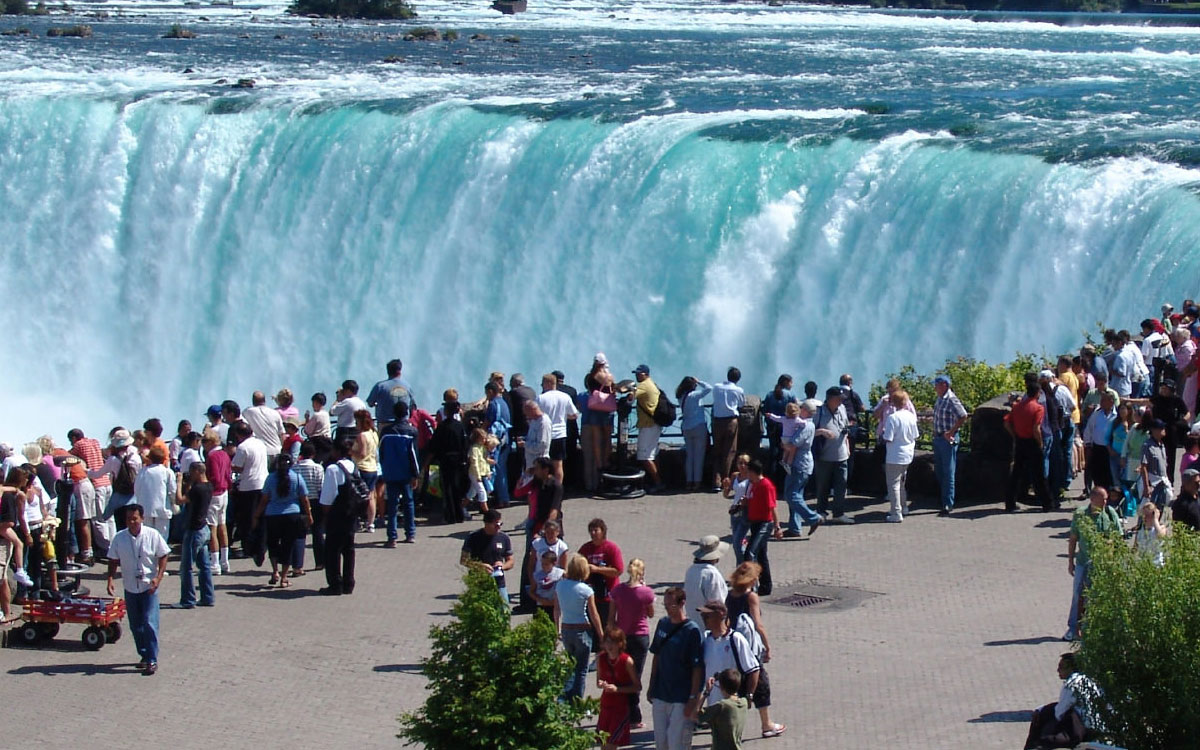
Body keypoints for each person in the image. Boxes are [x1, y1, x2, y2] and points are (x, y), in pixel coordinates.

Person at [106, 504, 169, 675]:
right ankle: (144, 654)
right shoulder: (119, 538)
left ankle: (152, 659)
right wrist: (110, 578)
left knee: (149, 622)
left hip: (149, 587)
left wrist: (159, 577)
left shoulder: (152, 535)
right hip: (130, 587)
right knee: (136, 625)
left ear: (141, 518)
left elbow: (163, 554)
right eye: (128, 519)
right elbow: (113, 559)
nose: (132, 522)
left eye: (135, 518)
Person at [725, 562, 784, 740]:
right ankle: (766, 724)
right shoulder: (751, 597)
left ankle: (727, 724)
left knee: (735, 685)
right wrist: (767, 646)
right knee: (761, 684)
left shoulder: (730, 595)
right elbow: (758, 624)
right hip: (750, 648)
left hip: (734, 645)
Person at [647, 587, 704, 750]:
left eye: (671, 605)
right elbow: (656, 655)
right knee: (661, 743)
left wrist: (693, 698)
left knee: (676, 743)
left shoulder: (692, 630)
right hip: (661, 693)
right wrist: (652, 685)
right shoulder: (663, 624)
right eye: (665, 605)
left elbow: (697, 668)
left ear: (682, 603)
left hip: (680, 697)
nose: (668, 609)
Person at [697, 601, 766, 734]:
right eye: (703, 615)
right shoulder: (706, 640)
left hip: (730, 704)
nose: (704, 618)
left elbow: (753, 669)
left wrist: (749, 696)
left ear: (720, 615)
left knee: (728, 739)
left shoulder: (735, 639)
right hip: (713, 703)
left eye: (707, 615)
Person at [1065, 487, 1122, 641]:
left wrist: (1111, 550)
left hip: (1102, 563)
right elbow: (1073, 539)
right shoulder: (1080, 515)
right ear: (1092, 499)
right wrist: (1070, 561)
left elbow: (1118, 537)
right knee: (1078, 595)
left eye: (1106, 499)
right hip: (1083, 562)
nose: (1105, 502)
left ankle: (1092, 629)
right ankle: (1073, 628)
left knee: (1097, 597)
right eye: (1102, 499)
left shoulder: (1110, 514)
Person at [608, 558, 655, 728]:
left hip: (622, 636)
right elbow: (650, 614)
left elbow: (611, 618)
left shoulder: (617, 590)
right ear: (641, 573)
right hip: (641, 637)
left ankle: (625, 712)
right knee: (636, 674)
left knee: (623, 673)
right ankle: (634, 715)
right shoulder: (647, 592)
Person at [252, 454, 311, 588]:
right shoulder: (297, 477)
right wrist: (309, 514)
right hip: (292, 515)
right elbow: (304, 499)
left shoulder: (271, 478)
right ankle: (284, 578)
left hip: (272, 515)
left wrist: (256, 516)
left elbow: (264, 500)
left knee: (272, 544)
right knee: (288, 546)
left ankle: (275, 572)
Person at [514, 457, 563, 612]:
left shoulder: (555, 485)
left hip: (548, 529)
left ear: (546, 470)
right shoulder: (536, 482)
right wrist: (525, 476)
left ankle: (551, 598)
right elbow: (518, 492)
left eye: (537, 468)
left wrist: (545, 531)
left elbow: (554, 510)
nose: (534, 470)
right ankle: (527, 601)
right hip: (534, 525)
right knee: (529, 562)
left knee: (552, 564)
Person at [554, 553, 604, 702]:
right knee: (581, 669)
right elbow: (594, 615)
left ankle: (564, 698)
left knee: (570, 666)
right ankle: (576, 701)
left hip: (566, 628)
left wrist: (557, 629)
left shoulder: (560, 585)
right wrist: (601, 635)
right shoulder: (586, 590)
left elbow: (556, 610)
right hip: (582, 629)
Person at [1023, 653, 1097, 750]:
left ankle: (1032, 746)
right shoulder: (1089, 680)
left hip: (1081, 728)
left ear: (1070, 668)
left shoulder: (1071, 685)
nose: (1058, 670)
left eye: (1061, 667)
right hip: (1095, 724)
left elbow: (1059, 713)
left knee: (1042, 718)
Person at [317, 437, 360, 596]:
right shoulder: (353, 466)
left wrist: (325, 513)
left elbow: (327, 497)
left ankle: (335, 584)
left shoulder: (333, 469)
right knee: (349, 549)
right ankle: (349, 583)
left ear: (336, 451)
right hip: (352, 512)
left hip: (337, 513)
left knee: (333, 550)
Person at [1005, 373, 1052, 513]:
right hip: (1032, 442)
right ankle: (1046, 503)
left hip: (1020, 441)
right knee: (1038, 475)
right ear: (1037, 393)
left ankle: (1010, 503)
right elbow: (1036, 428)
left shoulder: (1017, 406)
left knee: (1016, 473)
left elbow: (1007, 423)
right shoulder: (1038, 408)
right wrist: (1040, 443)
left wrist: (1015, 436)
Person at [68, 427, 114, 563]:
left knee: (98, 519)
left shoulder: (78, 445)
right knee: (110, 519)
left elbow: (68, 455)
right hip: (107, 482)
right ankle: (113, 544)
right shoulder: (95, 441)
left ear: (74, 438)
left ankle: (106, 548)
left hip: (96, 483)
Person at [174, 461, 214, 609]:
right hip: (204, 528)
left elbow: (180, 499)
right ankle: (207, 597)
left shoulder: (197, 489)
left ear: (197, 471)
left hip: (194, 530)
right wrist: (189, 482)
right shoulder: (209, 486)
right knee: (204, 566)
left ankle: (188, 599)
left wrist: (179, 483)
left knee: (186, 567)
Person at [379, 402, 420, 546]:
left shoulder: (385, 431)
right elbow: (413, 455)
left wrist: (383, 469)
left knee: (392, 504)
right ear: (406, 412)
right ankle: (410, 534)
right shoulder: (411, 431)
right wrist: (416, 474)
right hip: (406, 472)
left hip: (390, 472)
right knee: (408, 503)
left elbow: (381, 453)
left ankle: (392, 537)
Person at [781, 400, 822, 537]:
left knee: (791, 495)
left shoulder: (805, 426)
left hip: (799, 464)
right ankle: (795, 527)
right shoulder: (806, 424)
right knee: (797, 495)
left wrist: (784, 446)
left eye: (801, 407)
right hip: (802, 463)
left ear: (805, 410)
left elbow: (794, 444)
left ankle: (813, 518)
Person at [741, 460, 782, 596]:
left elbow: (772, 507)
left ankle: (751, 584)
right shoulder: (753, 485)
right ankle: (766, 586)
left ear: (753, 472)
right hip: (755, 522)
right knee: (761, 555)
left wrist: (777, 526)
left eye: (748, 472)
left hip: (764, 523)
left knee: (750, 553)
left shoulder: (766, 486)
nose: (746, 475)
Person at [813, 386, 853, 524]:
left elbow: (845, 428)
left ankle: (838, 513)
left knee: (841, 485)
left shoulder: (841, 409)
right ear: (830, 399)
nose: (841, 402)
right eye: (838, 399)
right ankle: (821, 512)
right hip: (824, 456)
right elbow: (808, 431)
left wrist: (847, 447)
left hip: (842, 454)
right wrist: (822, 431)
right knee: (823, 486)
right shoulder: (818, 412)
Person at [579, 517, 624, 636]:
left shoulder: (611, 548)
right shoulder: (585, 548)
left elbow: (618, 570)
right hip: (590, 595)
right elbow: (578, 566)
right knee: (592, 629)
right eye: (591, 531)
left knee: (607, 628)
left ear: (603, 531)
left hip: (608, 597)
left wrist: (597, 569)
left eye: (596, 530)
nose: (593, 534)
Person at [597, 627, 640, 750]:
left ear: (620, 643)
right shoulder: (601, 658)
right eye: (607, 641)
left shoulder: (626, 661)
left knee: (611, 744)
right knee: (603, 744)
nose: (610, 645)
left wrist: (617, 689)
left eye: (614, 642)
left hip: (620, 708)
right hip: (605, 706)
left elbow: (637, 686)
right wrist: (602, 684)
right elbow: (598, 681)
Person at [460, 509, 514, 608]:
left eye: (500, 524)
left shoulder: (504, 538)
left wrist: (503, 566)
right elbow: (463, 560)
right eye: (496, 524)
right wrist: (480, 566)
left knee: (504, 610)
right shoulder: (473, 537)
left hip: (499, 582)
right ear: (486, 524)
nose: (498, 527)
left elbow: (511, 561)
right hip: (478, 582)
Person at [229, 422, 268, 559]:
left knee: (247, 518)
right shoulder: (260, 443)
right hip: (263, 483)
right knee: (261, 517)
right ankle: (262, 546)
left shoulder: (243, 447)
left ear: (239, 435)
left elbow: (237, 466)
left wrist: (230, 464)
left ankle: (249, 548)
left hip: (248, 486)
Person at [932, 374, 968, 516]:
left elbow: (963, 415)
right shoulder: (940, 398)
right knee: (940, 471)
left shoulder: (951, 399)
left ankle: (948, 503)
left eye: (936, 385)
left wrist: (951, 432)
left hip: (947, 439)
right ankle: (944, 498)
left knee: (948, 472)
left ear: (944, 385)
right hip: (938, 438)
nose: (935, 387)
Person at [94, 429, 143, 532]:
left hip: (119, 499)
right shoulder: (136, 457)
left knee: (121, 529)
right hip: (134, 498)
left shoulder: (113, 460)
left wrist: (86, 471)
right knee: (135, 529)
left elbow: (98, 474)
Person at [430, 401, 469, 524]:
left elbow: (434, 445)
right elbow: (465, 444)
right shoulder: (459, 426)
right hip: (458, 460)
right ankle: (460, 514)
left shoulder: (442, 426)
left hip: (446, 460)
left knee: (447, 488)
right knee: (457, 488)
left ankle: (450, 516)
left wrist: (428, 461)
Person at [537, 373, 579, 484]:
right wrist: (564, 416)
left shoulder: (541, 398)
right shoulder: (565, 397)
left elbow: (536, 416)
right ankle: (558, 490)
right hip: (560, 434)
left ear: (548, 383)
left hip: (545, 435)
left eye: (543, 384)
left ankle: (545, 489)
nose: (542, 386)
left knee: (543, 464)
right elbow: (575, 415)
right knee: (558, 465)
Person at [582, 355, 616, 493]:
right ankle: (606, 461)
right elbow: (613, 388)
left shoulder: (590, 376)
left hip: (595, 408)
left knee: (596, 438)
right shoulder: (609, 376)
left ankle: (599, 464)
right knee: (607, 438)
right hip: (607, 409)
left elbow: (589, 389)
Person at [711, 367, 746, 492]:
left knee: (717, 451)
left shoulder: (716, 387)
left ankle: (716, 481)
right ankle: (726, 480)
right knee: (729, 451)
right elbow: (741, 404)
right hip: (731, 421)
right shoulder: (738, 390)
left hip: (717, 421)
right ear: (738, 379)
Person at [203, 430, 232, 575]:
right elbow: (228, 474)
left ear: (209, 443)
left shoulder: (212, 457)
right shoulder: (225, 454)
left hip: (214, 494)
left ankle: (215, 563)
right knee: (222, 526)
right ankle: (225, 561)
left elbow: (213, 476)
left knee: (212, 529)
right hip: (224, 492)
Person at [632, 364, 665, 493]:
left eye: (639, 373)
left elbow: (632, 395)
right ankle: (657, 481)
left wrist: (617, 388)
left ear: (645, 374)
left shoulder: (644, 385)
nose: (636, 375)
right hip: (654, 425)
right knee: (652, 454)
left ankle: (658, 482)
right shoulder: (653, 384)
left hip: (648, 425)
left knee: (644, 456)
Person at [699, 669, 749, 750]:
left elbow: (696, 714)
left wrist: (706, 692)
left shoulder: (722, 706)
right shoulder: (744, 703)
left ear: (721, 687)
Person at [677, 376, 712, 492]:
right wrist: (699, 381)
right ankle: (697, 483)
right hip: (698, 427)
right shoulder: (695, 395)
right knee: (699, 456)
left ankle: (688, 482)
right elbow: (709, 388)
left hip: (687, 427)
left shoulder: (681, 397)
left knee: (690, 456)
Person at [133, 445, 176, 538]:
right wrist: (174, 502)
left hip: (146, 508)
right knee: (162, 537)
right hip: (163, 509)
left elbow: (136, 489)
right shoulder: (167, 472)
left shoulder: (143, 471)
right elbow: (173, 491)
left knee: (147, 537)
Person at [684, 534, 730, 620]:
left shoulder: (691, 570)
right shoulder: (712, 574)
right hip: (708, 624)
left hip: (692, 618)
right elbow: (717, 604)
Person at [483, 381, 512, 505]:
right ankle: (503, 497)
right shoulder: (503, 402)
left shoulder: (493, 404)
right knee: (502, 469)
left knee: (494, 469)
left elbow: (488, 422)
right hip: (506, 438)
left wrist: (480, 431)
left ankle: (494, 498)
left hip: (496, 440)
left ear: (490, 391)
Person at [351, 410, 381, 532]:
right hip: (373, 467)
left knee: (358, 497)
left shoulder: (361, 436)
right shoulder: (373, 433)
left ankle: (358, 521)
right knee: (371, 496)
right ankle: (371, 523)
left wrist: (350, 451)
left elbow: (362, 454)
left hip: (362, 467)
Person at [367, 359, 417, 429]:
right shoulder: (407, 386)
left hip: (385, 424)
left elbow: (370, 403)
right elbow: (413, 406)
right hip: (404, 424)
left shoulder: (380, 386)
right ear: (399, 371)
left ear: (388, 371)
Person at [722, 455, 753, 561]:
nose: (742, 466)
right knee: (739, 541)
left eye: (745, 463)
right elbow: (727, 495)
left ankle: (744, 566)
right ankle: (744, 567)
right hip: (735, 510)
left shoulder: (752, 477)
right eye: (740, 463)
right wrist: (726, 487)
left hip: (746, 511)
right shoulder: (735, 476)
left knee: (737, 544)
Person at [1138, 418, 1172, 510]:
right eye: (1161, 428)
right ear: (1153, 430)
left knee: (1160, 509)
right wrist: (1146, 487)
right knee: (1149, 510)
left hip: (1162, 482)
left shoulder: (1162, 445)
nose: (1163, 430)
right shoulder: (1147, 445)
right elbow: (1144, 466)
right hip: (1152, 483)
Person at [243, 391, 285, 461]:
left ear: (253, 401)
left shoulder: (247, 412)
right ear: (265, 400)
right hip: (277, 450)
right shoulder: (275, 413)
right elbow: (282, 434)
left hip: (261, 452)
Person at [1132, 498, 1169, 567]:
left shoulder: (1161, 527)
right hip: (1143, 563)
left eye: (1148, 515)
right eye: (1144, 515)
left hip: (1157, 564)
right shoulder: (1140, 529)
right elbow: (1135, 547)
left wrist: (1155, 519)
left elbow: (1160, 535)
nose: (1145, 517)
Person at [466, 428, 495, 514]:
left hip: (482, 472)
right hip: (474, 473)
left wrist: (487, 472)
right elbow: (474, 463)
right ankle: (487, 513)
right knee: (482, 491)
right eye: (482, 438)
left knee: (472, 492)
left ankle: (462, 506)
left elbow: (485, 461)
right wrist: (478, 476)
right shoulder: (474, 449)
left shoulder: (482, 448)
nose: (484, 440)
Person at [520, 400, 552, 472]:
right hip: (530, 462)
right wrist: (524, 439)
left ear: (532, 410)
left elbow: (542, 445)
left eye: (527, 413)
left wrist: (525, 445)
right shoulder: (534, 420)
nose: (526, 416)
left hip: (539, 463)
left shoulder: (544, 423)